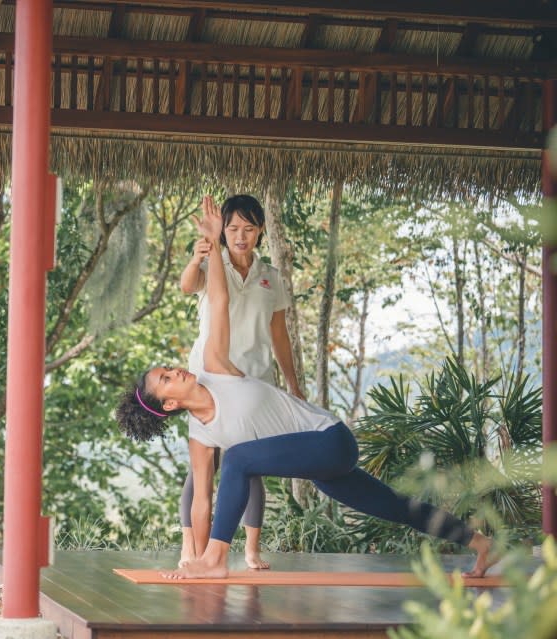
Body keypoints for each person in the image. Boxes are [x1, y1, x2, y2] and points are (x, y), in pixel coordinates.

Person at [115, 196, 496, 579]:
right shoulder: (200, 432)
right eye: (166, 379)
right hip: (319, 461)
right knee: (392, 505)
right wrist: (192, 558)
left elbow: (219, 299)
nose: (175, 370)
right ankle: (480, 544)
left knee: (237, 460)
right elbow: (202, 499)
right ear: (167, 406)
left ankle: (216, 561)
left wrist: (215, 244)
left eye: (167, 368)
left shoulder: (217, 366)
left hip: (329, 439)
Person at [177, 194, 304, 570]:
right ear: (224, 231)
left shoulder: (272, 278)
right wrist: (199, 255)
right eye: (233, 228)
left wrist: (293, 384)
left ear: (261, 230)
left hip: (254, 383)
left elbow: (280, 335)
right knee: (203, 465)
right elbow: (187, 286)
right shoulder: (214, 265)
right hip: (209, 380)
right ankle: (190, 548)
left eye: (249, 228)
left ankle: (251, 549)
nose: (240, 236)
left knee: (249, 464)